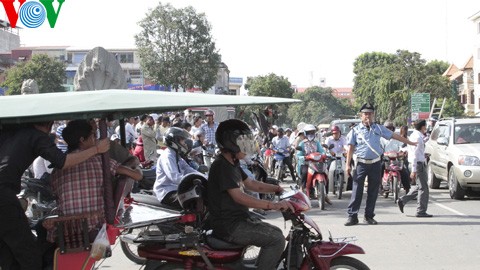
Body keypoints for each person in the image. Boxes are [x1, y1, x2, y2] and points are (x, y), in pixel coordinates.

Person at [0, 120, 110, 270]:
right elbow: (62, 161)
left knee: (7, 252)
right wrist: (97, 149)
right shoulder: (37, 136)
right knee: (27, 252)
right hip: (4, 195)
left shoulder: (11, 132)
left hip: (6, 195)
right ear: (49, 124)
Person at [207, 119, 294, 270]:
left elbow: (252, 184)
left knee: (276, 232)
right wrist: (273, 205)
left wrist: (277, 189)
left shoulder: (232, 163)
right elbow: (239, 197)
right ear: (230, 143)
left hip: (237, 220)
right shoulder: (221, 166)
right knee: (276, 240)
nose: (246, 145)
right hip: (229, 226)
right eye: (242, 141)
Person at [48, 120, 143, 241]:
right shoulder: (101, 162)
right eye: (93, 136)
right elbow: (137, 176)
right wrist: (138, 170)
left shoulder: (57, 170)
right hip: (94, 227)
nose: (95, 139)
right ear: (82, 140)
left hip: (67, 232)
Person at [344, 103, 416, 226]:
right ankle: (352, 216)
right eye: (365, 114)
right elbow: (351, 147)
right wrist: (348, 165)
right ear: (361, 115)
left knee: (373, 191)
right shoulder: (355, 130)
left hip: (375, 163)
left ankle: (369, 216)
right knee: (357, 191)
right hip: (361, 163)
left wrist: (409, 142)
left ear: (373, 115)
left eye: (370, 114)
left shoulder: (378, 128)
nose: (368, 116)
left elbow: (394, 136)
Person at [153, 127, 199, 209]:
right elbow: (175, 177)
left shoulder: (176, 155)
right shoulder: (167, 156)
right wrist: (192, 180)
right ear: (174, 141)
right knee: (193, 202)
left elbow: (188, 169)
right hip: (166, 191)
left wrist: (203, 177)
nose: (185, 143)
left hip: (176, 188)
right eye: (182, 140)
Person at [397, 120, 433, 217]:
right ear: (422, 127)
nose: (426, 128)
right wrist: (413, 170)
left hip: (417, 163)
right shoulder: (418, 137)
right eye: (425, 126)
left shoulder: (414, 135)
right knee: (424, 188)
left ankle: (403, 200)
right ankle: (421, 211)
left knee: (420, 187)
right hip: (418, 164)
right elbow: (415, 155)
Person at [296, 124, 328, 202]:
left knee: (325, 174)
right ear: (305, 133)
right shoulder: (302, 143)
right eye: (309, 132)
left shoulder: (317, 142)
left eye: (312, 132)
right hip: (306, 163)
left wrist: (324, 154)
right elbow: (298, 154)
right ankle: (303, 189)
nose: (311, 134)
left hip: (316, 163)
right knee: (304, 173)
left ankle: (325, 194)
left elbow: (322, 151)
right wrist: (303, 157)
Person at [325, 125, 348, 195]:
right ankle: (325, 186)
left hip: (341, 158)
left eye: (337, 133)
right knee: (326, 170)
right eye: (334, 133)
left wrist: (346, 151)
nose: (336, 135)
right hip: (331, 158)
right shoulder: (328, 139)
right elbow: (326, 147)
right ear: (332, 133)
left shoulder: (343, 139)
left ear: (340, 133)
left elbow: (345, 146)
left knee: (349, 168)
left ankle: (348, 183)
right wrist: (329, 151)